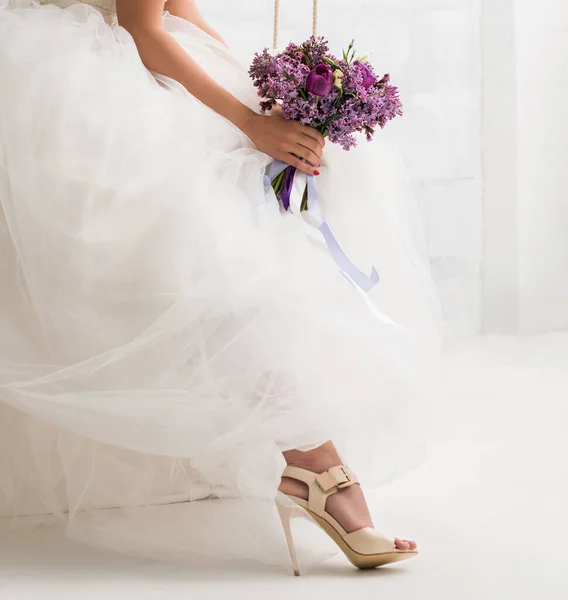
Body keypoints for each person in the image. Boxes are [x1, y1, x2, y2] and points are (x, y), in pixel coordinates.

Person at [0, 0, 440, 574]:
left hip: (134, 54)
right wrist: (250, 122)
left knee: (269, 230)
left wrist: (264, 94)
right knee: (209, 247)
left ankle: (310, 454)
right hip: (77, 74)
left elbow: (173, 6)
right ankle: (313, 463)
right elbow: (141, 27)